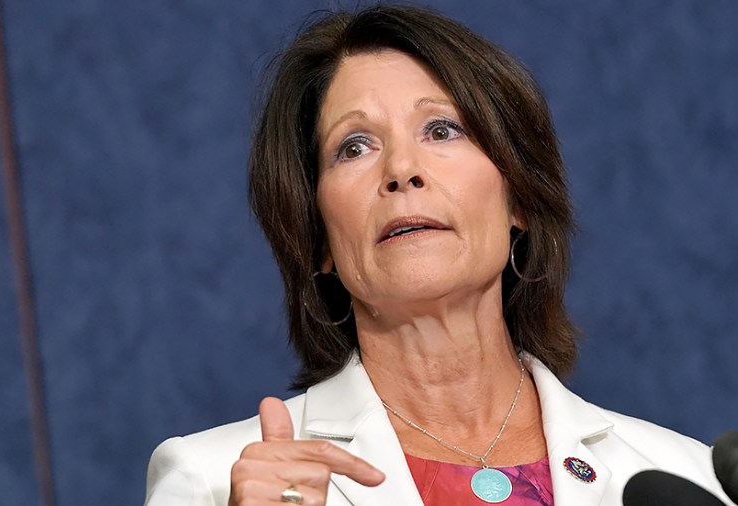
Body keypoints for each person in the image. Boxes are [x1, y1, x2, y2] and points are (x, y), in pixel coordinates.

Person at [145, 5, 733, 505]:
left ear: (518, 201)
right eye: (354, 147)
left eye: (442, 130)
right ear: (320, 240)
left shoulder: (684, 479)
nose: (401, 170)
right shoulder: (213, 481)